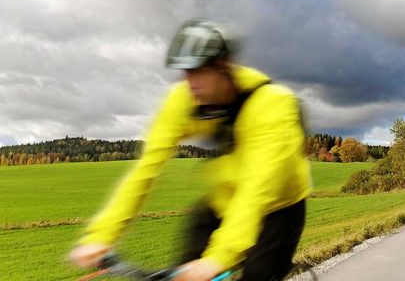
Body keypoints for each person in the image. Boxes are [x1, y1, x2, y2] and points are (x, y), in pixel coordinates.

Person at [70, 19, 313, 281]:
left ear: (224, 67)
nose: (190, 82)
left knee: (256, 274)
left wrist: (218, 257)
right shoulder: (184, 99)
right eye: (186, 71)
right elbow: (146, 170)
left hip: (279, 206)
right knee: (184, 270)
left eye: (199, 71)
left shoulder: (274, 105)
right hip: (225, 198)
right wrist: (101, 236)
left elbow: (259, 190)